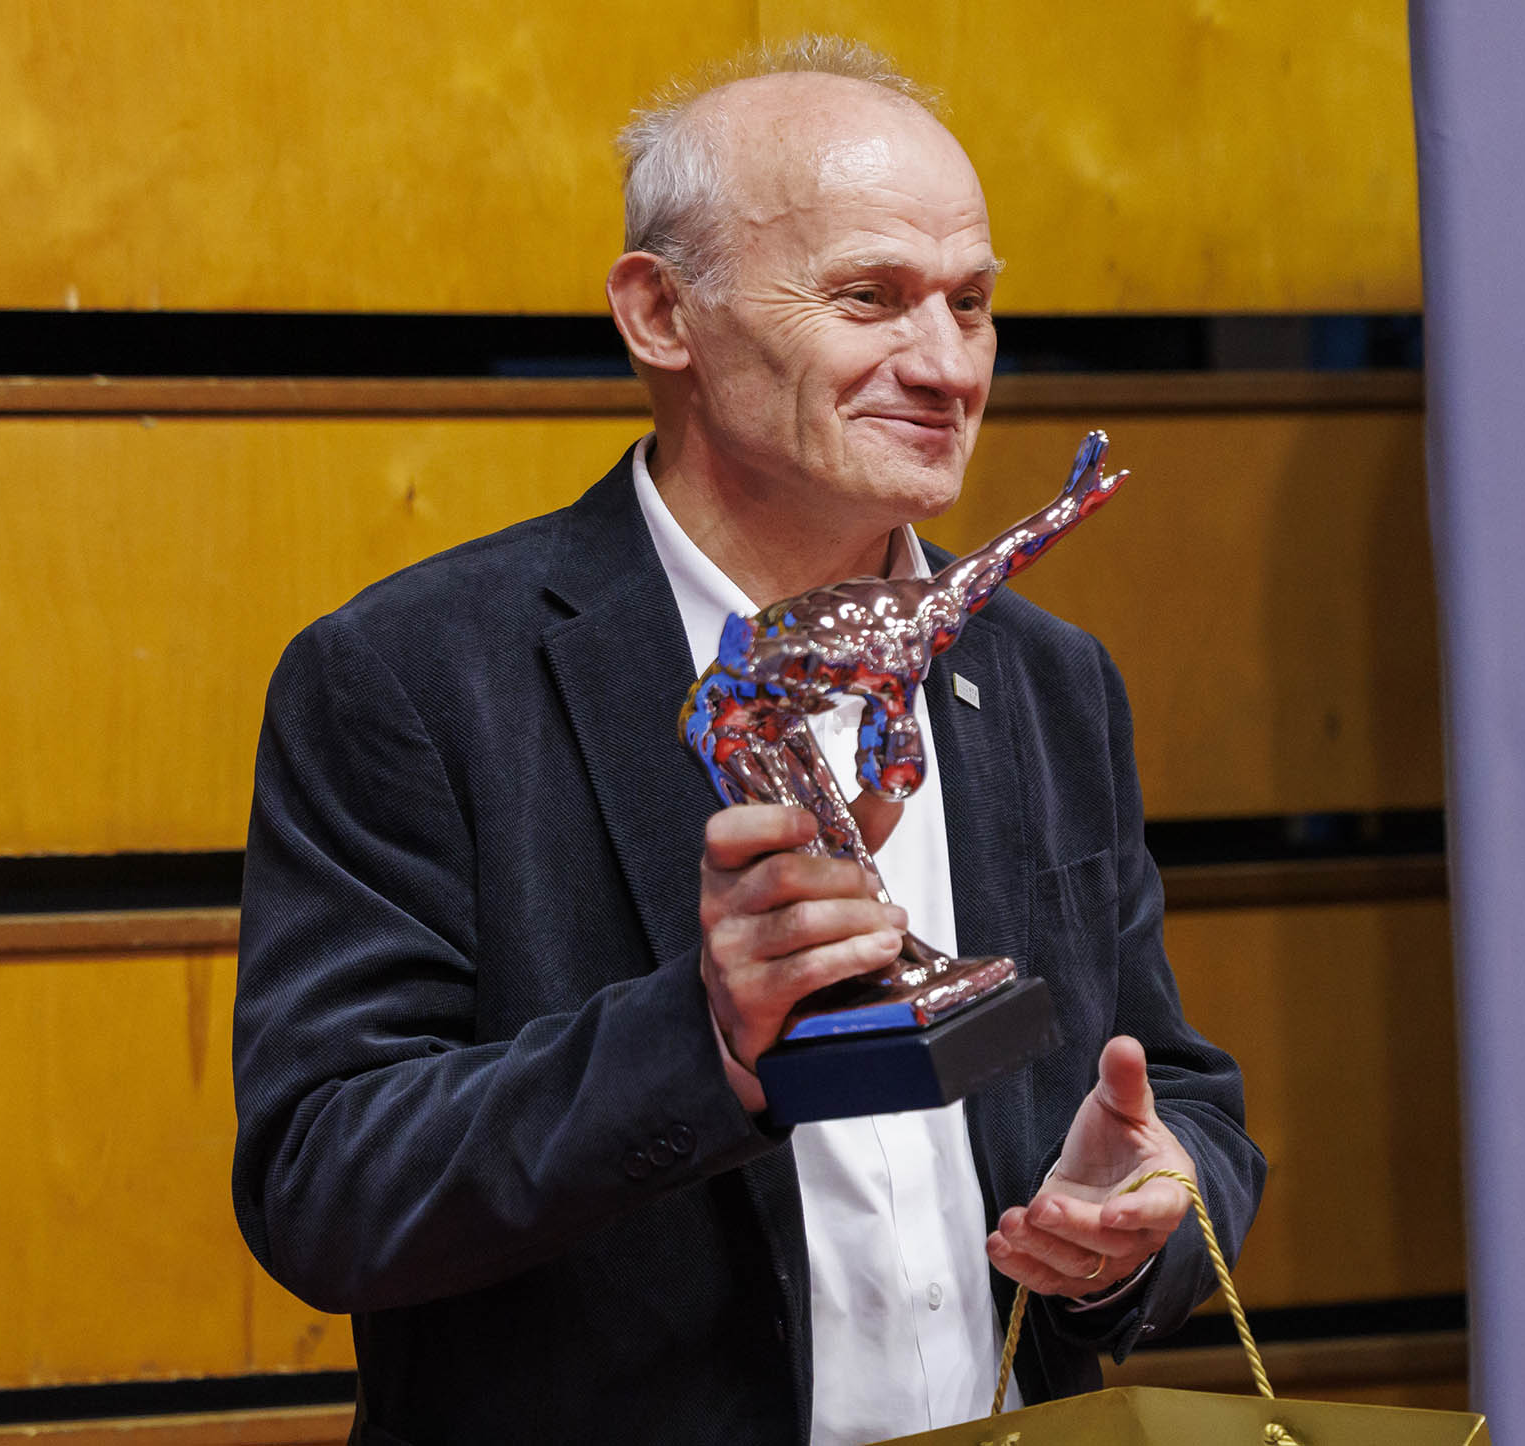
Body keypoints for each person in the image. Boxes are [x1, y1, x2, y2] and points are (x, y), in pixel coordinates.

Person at [231, 36, 1264, 1446]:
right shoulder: (414, 677)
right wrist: (707, 1042)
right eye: (869, 298)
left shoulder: (1048, 677)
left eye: (970, 303)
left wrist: (1139, 1218)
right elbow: (324, 1184)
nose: (946, 366)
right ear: (662, 313)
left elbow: (1182, 1096)